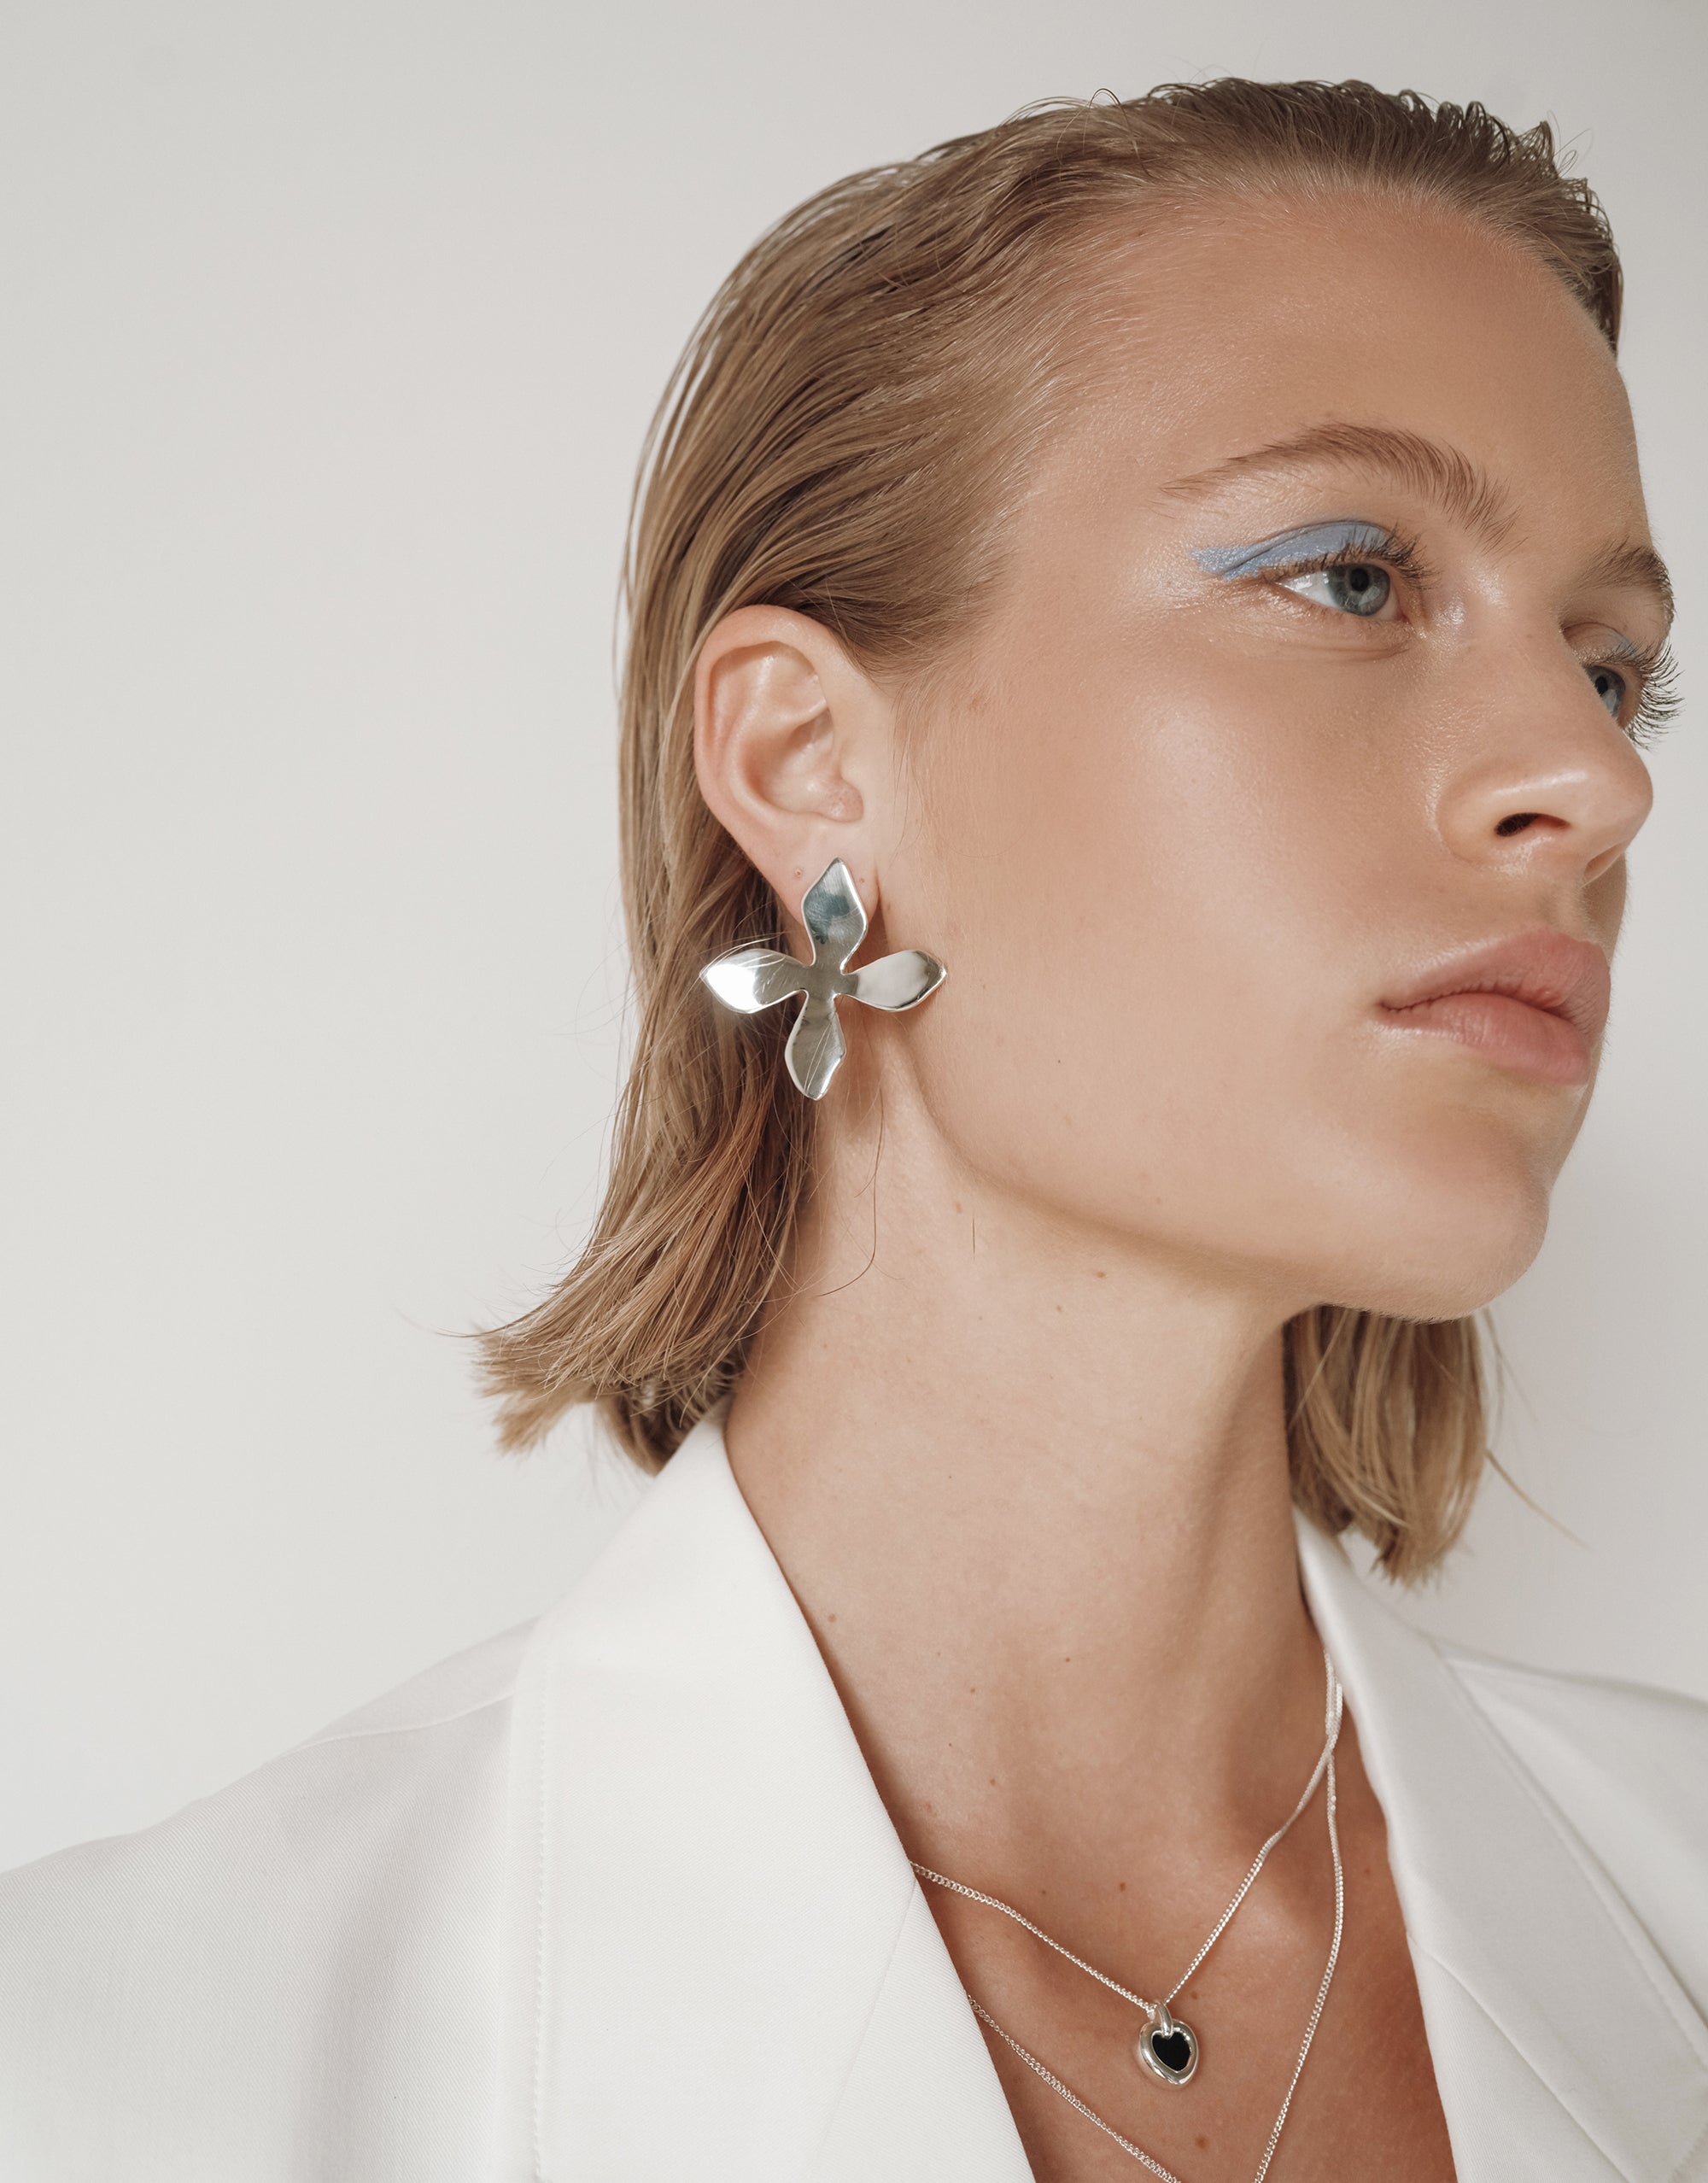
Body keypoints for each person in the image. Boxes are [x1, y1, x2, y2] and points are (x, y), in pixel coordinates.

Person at [3, 78, 1705, 2183]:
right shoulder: (117, 2074)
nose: (1593, 782)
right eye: (1353, 578)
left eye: (1611, 668)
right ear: (810, 758)